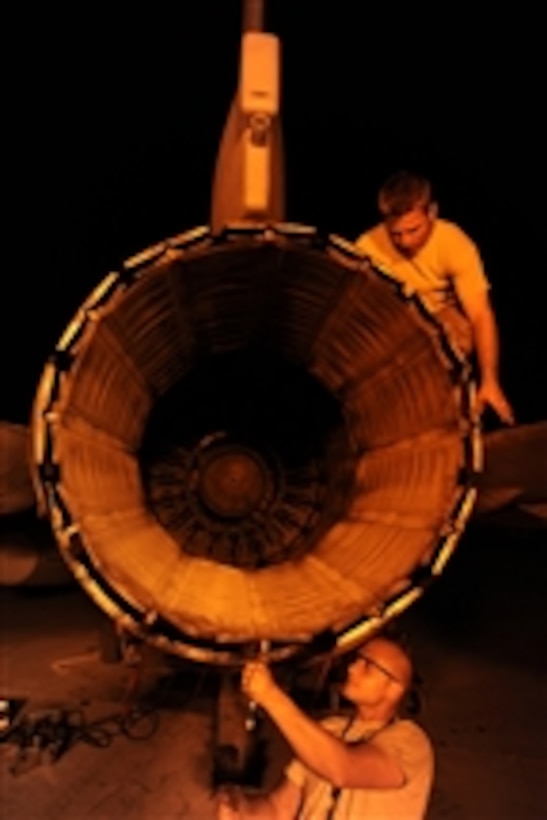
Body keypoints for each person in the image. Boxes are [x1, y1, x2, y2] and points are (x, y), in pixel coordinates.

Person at [354, 171, 514, 425]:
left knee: (459, 332)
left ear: (432, 212)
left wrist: (490, 380)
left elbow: (480, 313)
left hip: (437, 321)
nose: (405, 241)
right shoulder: (367, 248)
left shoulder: (454, 244)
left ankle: (440, 413)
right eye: (395, 233)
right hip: (391, 323)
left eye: (413, 230)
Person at [216, 635, 434, 819]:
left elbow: (343, 769)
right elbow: (279, 808)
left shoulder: (410, 742)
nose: (352, 668)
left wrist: (271, 696)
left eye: (368, 665)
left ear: (393, 689)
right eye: (356, 659)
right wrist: (242, 809)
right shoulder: (329, 729)